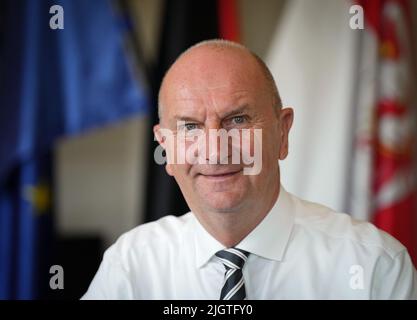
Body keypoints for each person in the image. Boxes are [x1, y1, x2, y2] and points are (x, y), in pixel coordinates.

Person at [82, 39, 417, 299]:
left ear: (282, 133)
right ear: (165, 146)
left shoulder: (374, 265)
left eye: (237, 120)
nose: (214, 151)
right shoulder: (131, 266)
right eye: (189, 127)